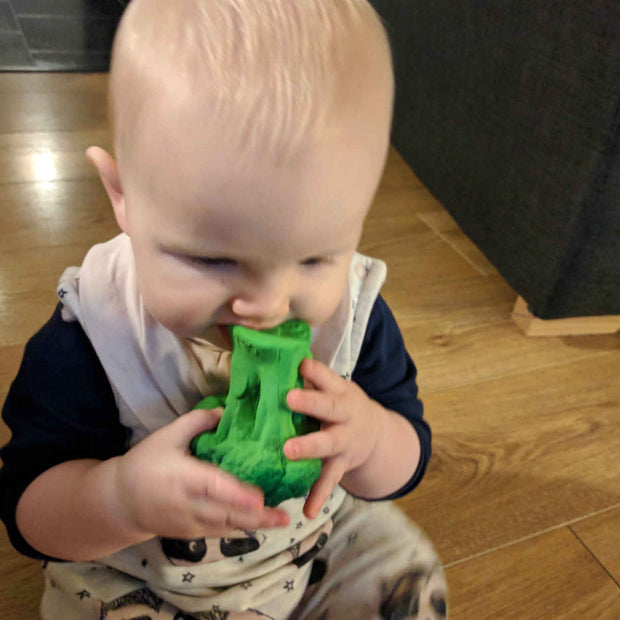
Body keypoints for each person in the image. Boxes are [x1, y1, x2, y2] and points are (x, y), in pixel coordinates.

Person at [0, 1, 447, 618]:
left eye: (316, 258)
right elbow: (29, 512)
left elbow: (409, 452)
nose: (266, 305)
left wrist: (369, 441)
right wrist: (119, 499)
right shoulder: (95, 333)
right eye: (212, 260)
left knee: (403, 570)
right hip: (143, 579)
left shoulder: (356, 319)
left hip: (308, 550)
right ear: (123, 196)